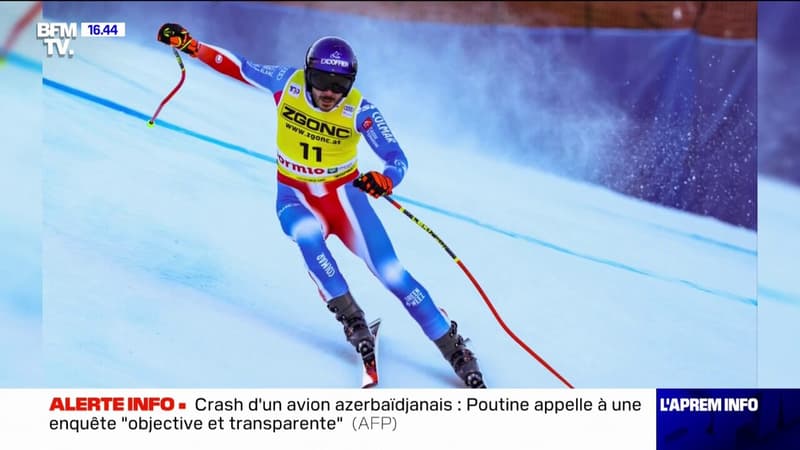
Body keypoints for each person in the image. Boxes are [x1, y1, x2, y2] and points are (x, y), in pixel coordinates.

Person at [156, 23, 485, 388]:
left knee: (393, 275)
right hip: (294, 196)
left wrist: (386, 179)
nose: (329, 93)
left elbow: (397, 157)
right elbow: (238, 66)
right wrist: (191, 46)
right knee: (307, 235)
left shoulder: (360, 110)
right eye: (321, 81)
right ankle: (352, 320)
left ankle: (453, 346)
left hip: (345, 202)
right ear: (308, 72)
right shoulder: (288, 83)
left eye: (340, 86)